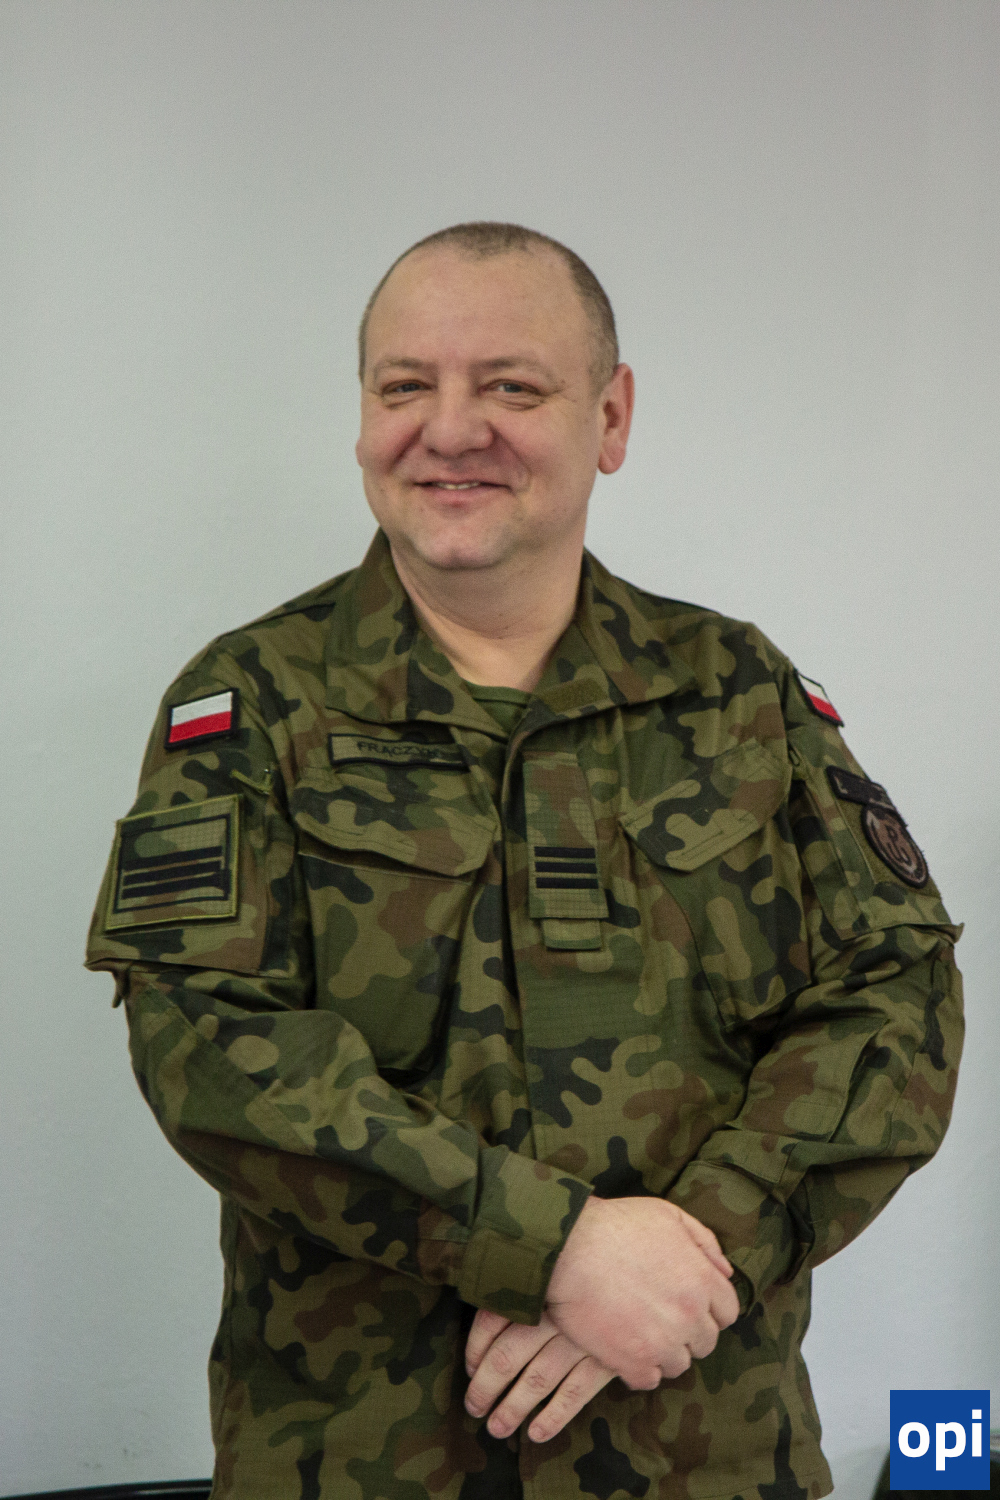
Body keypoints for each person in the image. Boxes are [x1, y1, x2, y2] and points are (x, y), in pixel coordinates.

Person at [86, 222, 963, 1500]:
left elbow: (897, 999)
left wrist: (697, 1247)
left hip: (710, 1453)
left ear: (609, 418)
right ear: (363, 417)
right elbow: (206, 1046)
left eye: (510, 385)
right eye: (405, 385)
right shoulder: (253, 701)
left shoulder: (738, 691)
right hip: (363, 1463)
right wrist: (551, 1250)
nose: (449, 430)